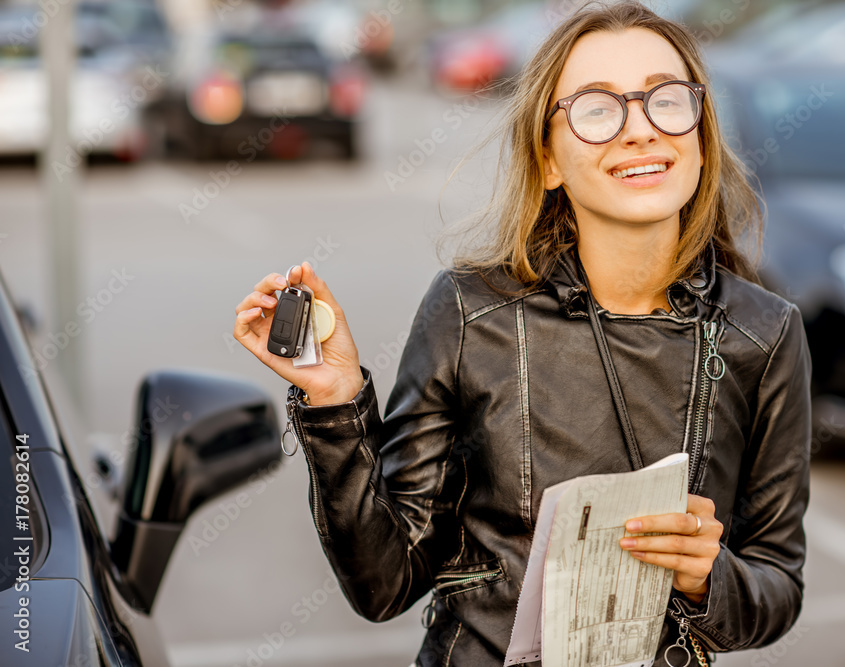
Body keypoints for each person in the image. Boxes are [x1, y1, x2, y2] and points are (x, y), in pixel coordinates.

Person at [233, 2, 812, 665]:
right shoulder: (467, 312)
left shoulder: (766, 333)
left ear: (701, 134)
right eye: (598, 109)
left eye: (666, 100)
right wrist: (335, 403)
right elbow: (383, 582)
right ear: (548, 161)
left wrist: (711, 573)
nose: (641, 130)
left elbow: (777, 584)